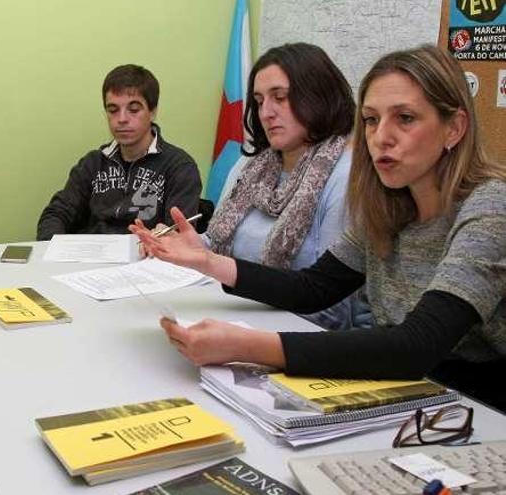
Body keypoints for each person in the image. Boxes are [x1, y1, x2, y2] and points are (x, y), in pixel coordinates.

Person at [131, 45, 506, 411]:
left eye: (405, 118)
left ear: (454, 128)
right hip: (415, 391)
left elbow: (416, 345)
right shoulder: (390, 204)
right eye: (372, 120)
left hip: (480, 405)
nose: (381, 137)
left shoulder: (490, 207)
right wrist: (207, 261)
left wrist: (246, 345)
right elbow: (313, 288)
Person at [206, 42, 366, 331]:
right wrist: (180, 245)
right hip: (229, 315)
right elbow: (213, 244)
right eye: (258, 100)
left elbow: (332, 311)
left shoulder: (346, 176)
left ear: (318, 96)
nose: (266, 112)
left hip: (298, 335)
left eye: (280, 97)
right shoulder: (248, 166)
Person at [36, 64, 202, 240]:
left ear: (152, 112)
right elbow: (55, 214)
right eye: (113, 110)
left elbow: (180, 234)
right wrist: (55, 251)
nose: (121, 119)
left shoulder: (180, 166)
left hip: (146, 260)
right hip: (91, 258)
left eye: (134, 109)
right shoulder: (93, 163)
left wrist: (165, 239)